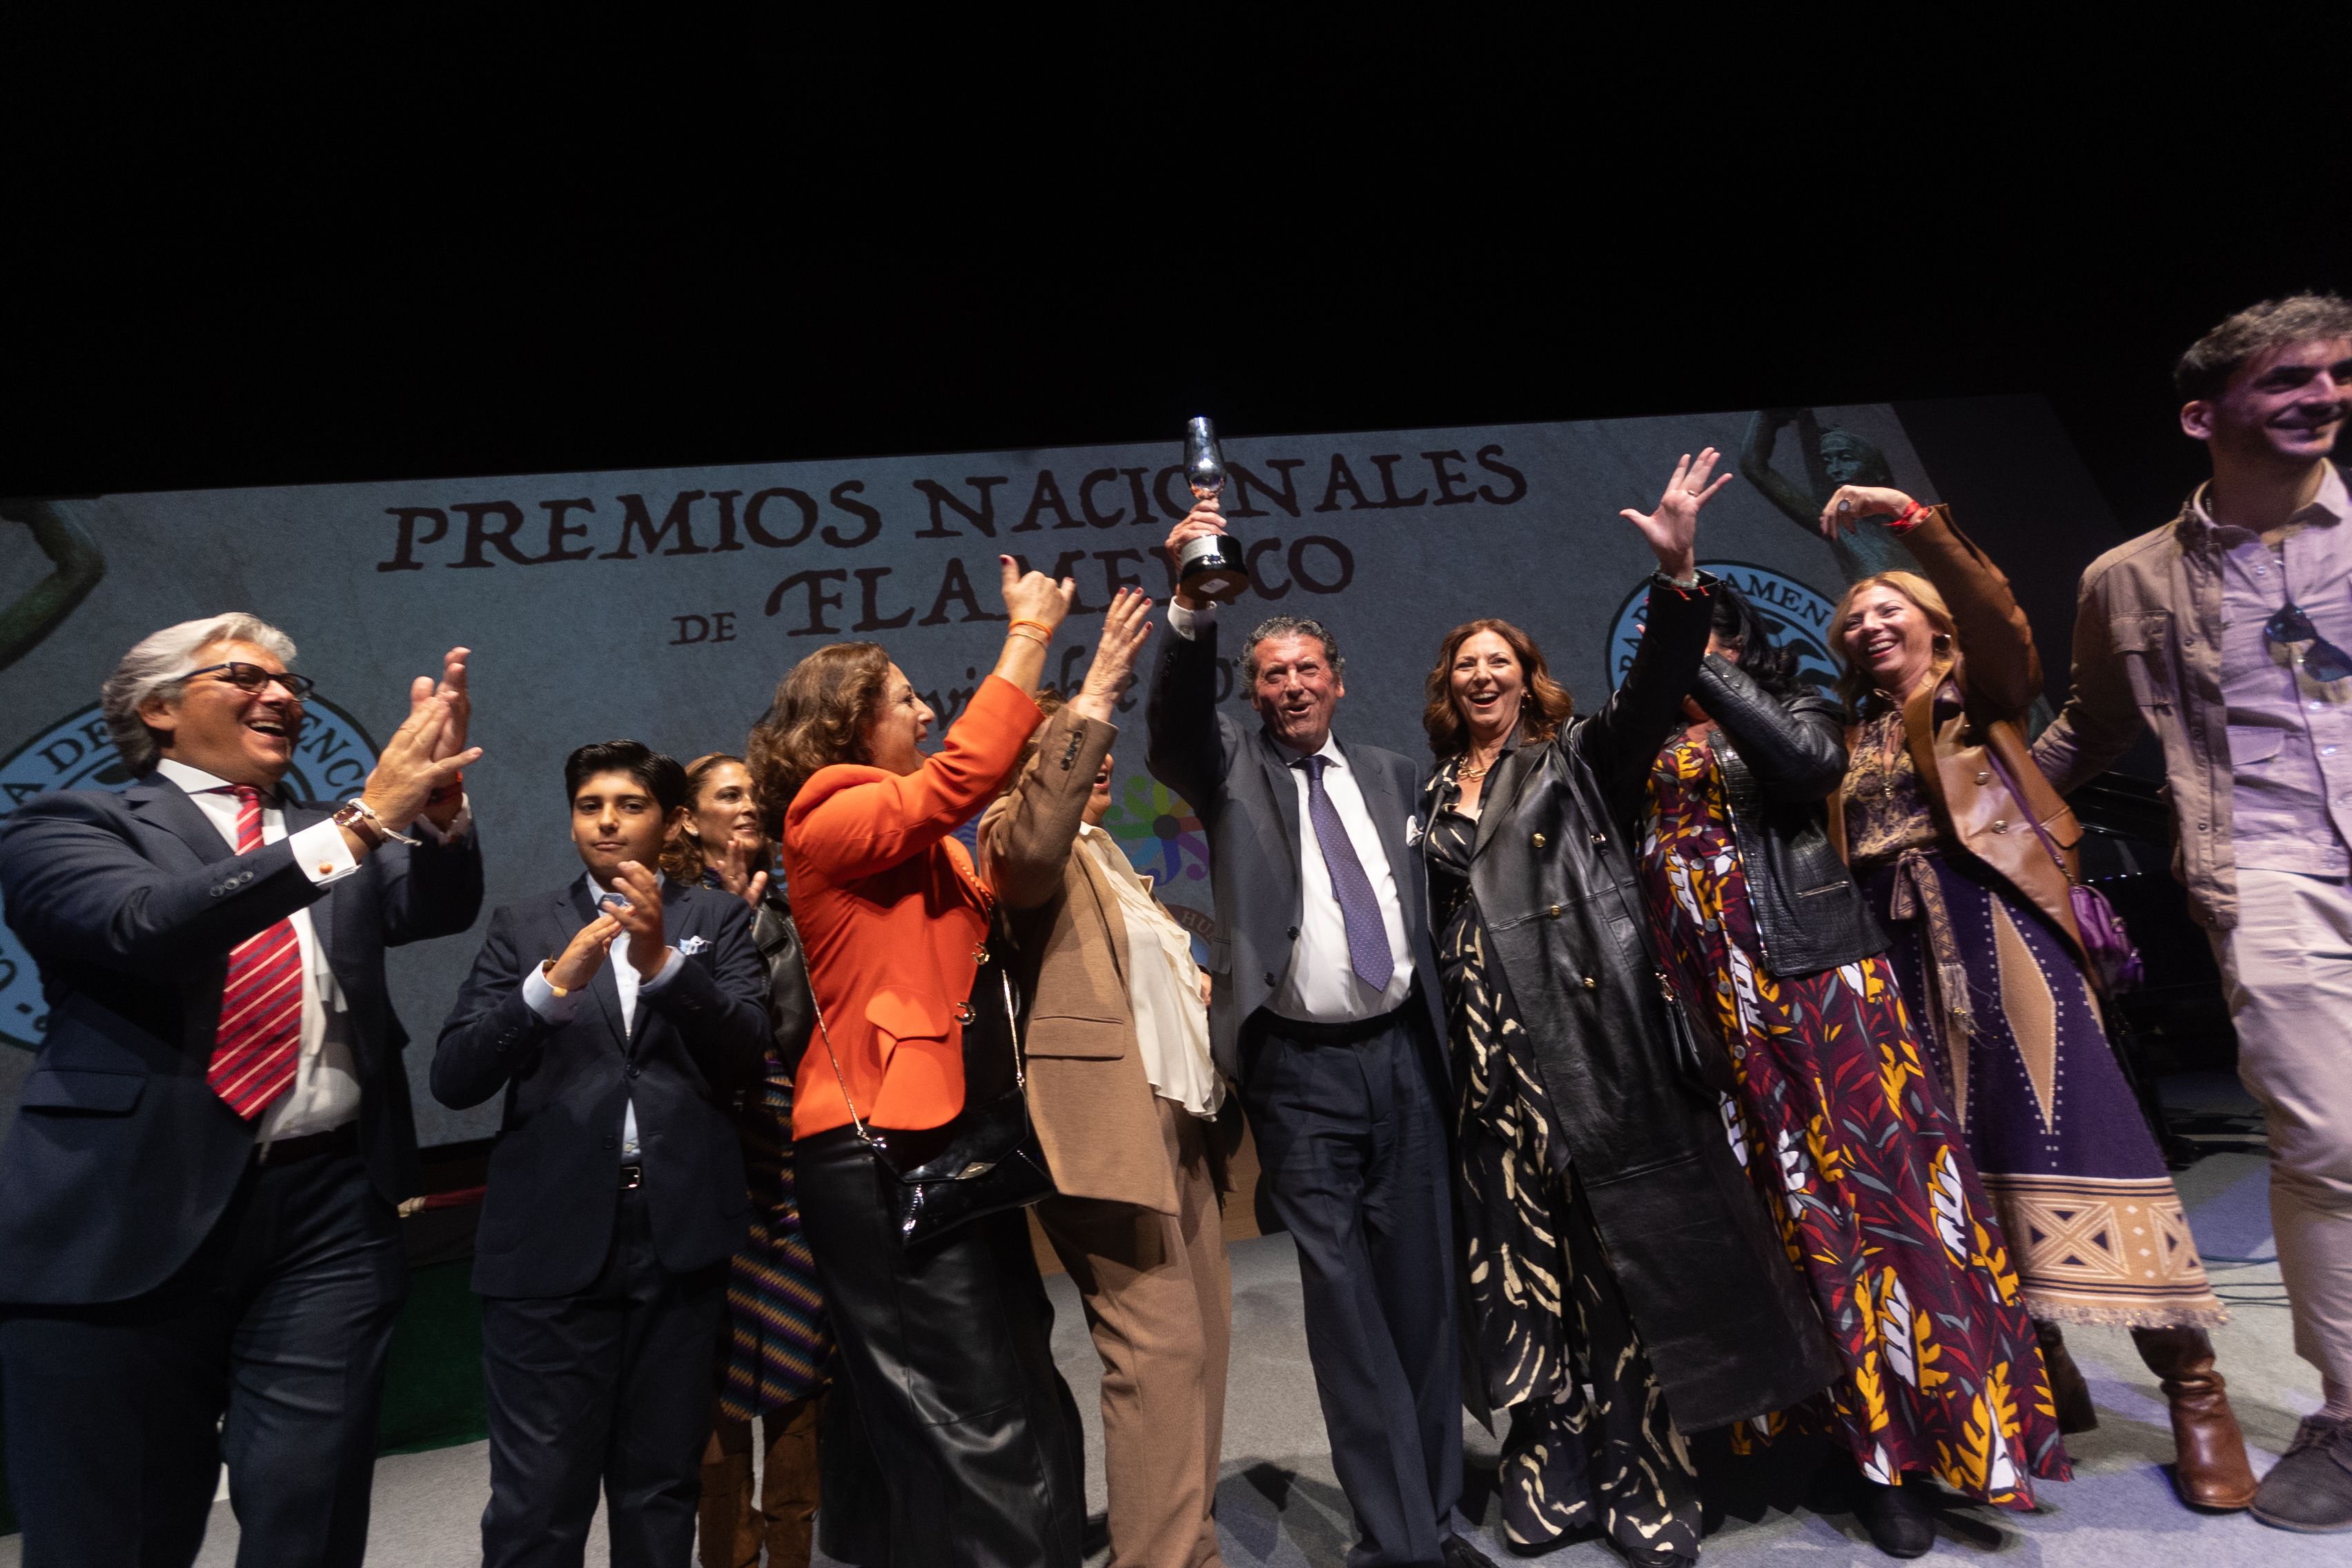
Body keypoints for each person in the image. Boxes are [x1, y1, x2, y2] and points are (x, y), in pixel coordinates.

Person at [1411, 453, 1839, 1566]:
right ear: (1445, 687)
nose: (1481, 677)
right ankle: (1547, 1460)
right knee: (1518, 1269)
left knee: (1614, 1267)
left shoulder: (1575, 764)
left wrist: (1677, 573)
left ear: (1528, 675)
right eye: (1464, 665)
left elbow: (1653, 685)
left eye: (1498, 661)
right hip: (1485, 1080)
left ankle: (1646, 1471)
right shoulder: (1421, 798)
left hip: (1584, 1057)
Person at [0, 614, 482, 1567]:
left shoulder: (324, 833)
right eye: (244, 676)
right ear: (159, 709)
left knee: (309, 1513)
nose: (282, 697)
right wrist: (361, 821)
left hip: (328, 1211)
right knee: (118, 1534)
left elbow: (430, 905)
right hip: (124, 1211)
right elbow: (146, 927)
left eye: (292, 684)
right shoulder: (66, 822)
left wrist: (436, 815)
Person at [1819, 487, 2251, 1516]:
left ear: (1935, 627)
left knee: (2081, 1135)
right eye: (1853, 621)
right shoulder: (1847, 739)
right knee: (1955, 1164)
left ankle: (2195, 1391)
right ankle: (2040, 1374)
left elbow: (2002, 619)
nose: (1870, 625)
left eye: (1892, 611)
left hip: (1994, 925)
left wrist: (1918, 524)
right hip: (1896, 949)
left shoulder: (1983, 697)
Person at [1637, 581, 2066, 1555]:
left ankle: (1919, 1455)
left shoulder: (1802, 711)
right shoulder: (1638, 736)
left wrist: (1692, 646)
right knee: (1788, 1226)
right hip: (1719, 1014)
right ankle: (1844, 1435)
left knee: (1884, 1209)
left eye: (1712, 637)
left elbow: (1803, 766)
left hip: (1823, 991)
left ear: (1741, 643)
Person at [2032, 295, 2352, 1532]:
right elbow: (2090, 731)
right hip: (2267, 873)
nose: (2320, 395)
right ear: (2200, 414)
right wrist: (1959, 807)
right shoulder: (2131, 579)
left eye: (2333, 374)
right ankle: (2341, 1414)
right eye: (2286, 380)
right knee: (2326, 1141)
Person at [1150, 509, 1493, 1568]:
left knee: (1423, 1302)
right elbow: (1168, 724)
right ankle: (1403, 1536)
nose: (1291, 686)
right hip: (1299, 1078)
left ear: (1337, 680)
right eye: (1271, 675)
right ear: (1254, 694)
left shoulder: (1394, 774)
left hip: (1405, 1060)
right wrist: (1191, 611)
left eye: (1306, 669)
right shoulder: (1228, 770)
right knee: (1344, 1305)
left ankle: (1435, 1507)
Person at [754, 557, 1087, 1568]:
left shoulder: (924, 846)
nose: (927, 710)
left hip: (956, 1137)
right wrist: (1025, 637)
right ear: (853, 722)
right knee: (972, 1412)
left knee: (1012, 1380)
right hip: (878, 1152)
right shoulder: (827, 812)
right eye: (907, 699)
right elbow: (954, 781)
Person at [433, 739, 772, 1568]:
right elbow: (455, 1075)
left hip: (677, 1235)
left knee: (659, 1483)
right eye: (591, 806)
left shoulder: (716, 919)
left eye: (630, 804)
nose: (609, 821)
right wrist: (551, 985)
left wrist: (660, 962)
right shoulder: (524, 927)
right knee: (540, 1494)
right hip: (549, 1243)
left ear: (672, 820)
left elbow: (749, 1051)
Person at [979, 589, 1235, 1568]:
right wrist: (1091, 692)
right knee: (1157, 1357)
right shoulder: (1015, 845)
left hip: (1177, 1125)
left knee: (1199, 1347)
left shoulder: (1105, 852)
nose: (1105, 763)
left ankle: (1190, 1546)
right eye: (1076, 753)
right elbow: (1034, 841)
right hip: (1106, 1140)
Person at [663, 752, 834, 1568]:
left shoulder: (791, 909)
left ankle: (794, 1548)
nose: (748, 808)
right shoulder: (662, 914)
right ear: (688, 819)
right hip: (704, 1156)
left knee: (802, 1367)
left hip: (791, 1149)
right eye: (728, 796)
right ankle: (727, 1553)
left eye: (755, 796)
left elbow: (796, 1025)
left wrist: (759, 923)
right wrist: (724, 922)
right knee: (717, 1375)